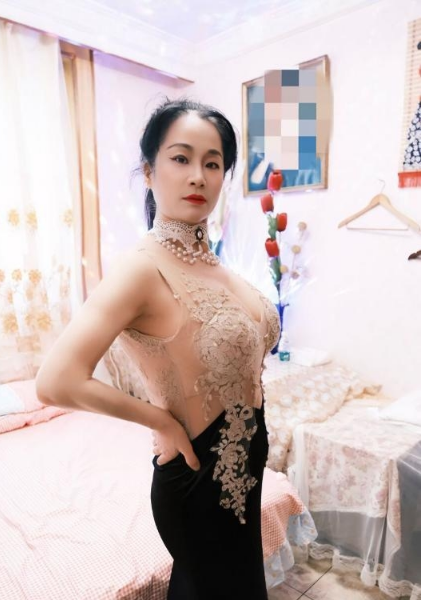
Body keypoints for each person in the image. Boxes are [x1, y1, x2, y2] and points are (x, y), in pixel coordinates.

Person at [36, 96, 280, 600]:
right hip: (196, 478)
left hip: (245, 467)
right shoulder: (141, 269)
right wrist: (160, 420)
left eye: (213, 164)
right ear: (149, 172)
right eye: (181, 158)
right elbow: (56, 381)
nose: (198, 176)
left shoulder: (219, 267)